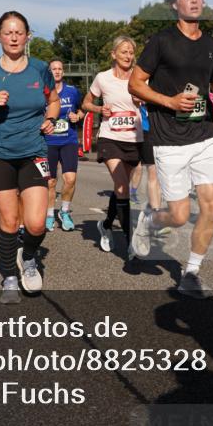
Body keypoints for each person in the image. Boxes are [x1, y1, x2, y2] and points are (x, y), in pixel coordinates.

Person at [129, 0, 213, 298]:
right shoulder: (161, 42)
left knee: (211, 205)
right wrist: (169, 101)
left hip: (204, 136)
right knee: (180, 215)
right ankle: (149, 220)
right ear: (175, 4)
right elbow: (136, 84)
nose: (194, 1)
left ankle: (191, 273)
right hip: (169, 138)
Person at [0, 11, 60, 304]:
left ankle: (28, 257)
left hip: (33, 151)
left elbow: (53, 101)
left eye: (20, 32)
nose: (14, 37)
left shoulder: (40, 69)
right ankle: (8, 276)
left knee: (35, 224)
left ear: (28, 35)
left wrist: (52, 119)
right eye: (8, 32)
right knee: (8, 222)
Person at [82, 37, 144, 259]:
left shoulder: (140, 77)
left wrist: (142, 100)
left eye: (131, 52)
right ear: (113, 54)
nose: (128, 56)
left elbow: (150, 101)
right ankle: (131, 243)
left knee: (122, 188)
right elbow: (86, 103)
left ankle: (106, 224)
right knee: (121, 185)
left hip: (134, 138)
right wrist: (99, 110)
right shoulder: (103, 78)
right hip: (110, 138)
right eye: (124, 52)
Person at [44, 60, 84, 232]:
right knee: (51, 182)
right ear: (49, 72)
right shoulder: (43, 92)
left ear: (63, 72)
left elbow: (83, 109)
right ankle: (50, 214)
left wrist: (78, 116)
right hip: (48, 141)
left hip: (69, 140)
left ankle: (65, 212)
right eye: (54, 69)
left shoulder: (73, 91)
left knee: (70, 179)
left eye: (60, 69)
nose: (57, 71)